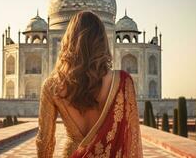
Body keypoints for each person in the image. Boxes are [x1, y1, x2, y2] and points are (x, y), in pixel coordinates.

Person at [36, 11, 143, 157]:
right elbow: (132, 138)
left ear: (68, 41)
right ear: (103, 41)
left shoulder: (52, 86)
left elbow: (44, 141)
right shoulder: (123, 81)